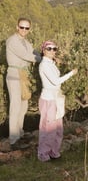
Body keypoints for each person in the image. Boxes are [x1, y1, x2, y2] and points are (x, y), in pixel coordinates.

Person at [38, 41, 77, 162]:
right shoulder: (44, 64)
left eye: (54, 49)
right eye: (49, 48)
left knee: (58, 129)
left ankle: (54, 152)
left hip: (56, 99)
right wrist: (71, 73)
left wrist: (56, 61)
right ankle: (43, 155)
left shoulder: (51, 63)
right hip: (49, 100)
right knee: (48, 129)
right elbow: (55, 81)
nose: (52, 51)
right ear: (44, 50)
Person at [5, 17, 42, 150]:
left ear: (29, 29)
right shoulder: (12, 41)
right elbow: (28, 56)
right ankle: (13, 139)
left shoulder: (26, 42)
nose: (24, 30)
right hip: (14, 75)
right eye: (22, 27)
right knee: (15, 106)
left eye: (27, 28)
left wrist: (43, 55)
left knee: (23, 105)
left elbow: (34, 53)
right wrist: (44, 59)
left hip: (24, 75)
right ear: (17, 27)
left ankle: (20, 133)